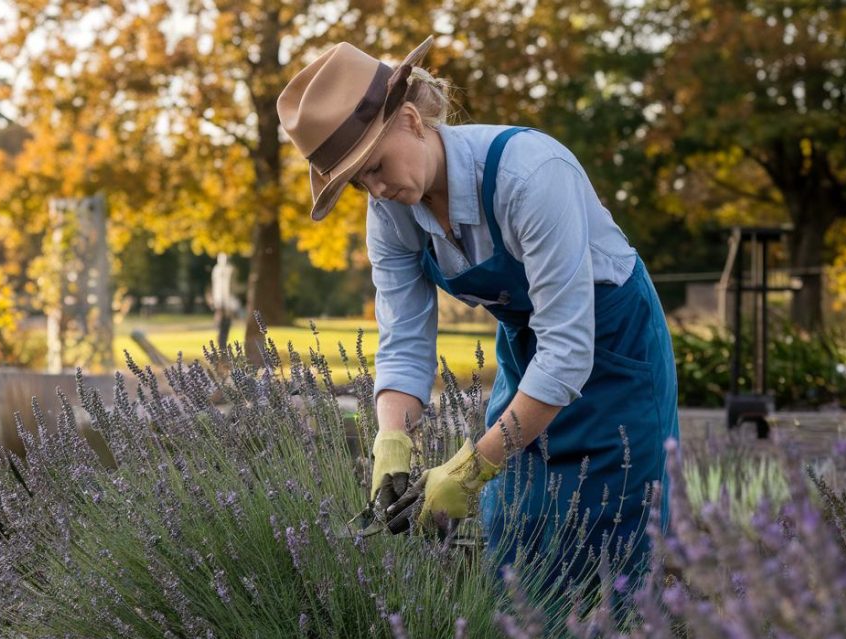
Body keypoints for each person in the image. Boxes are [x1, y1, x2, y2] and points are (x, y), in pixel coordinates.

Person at [276, 36, 678, 590]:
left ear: (412, 121)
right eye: (359, 182)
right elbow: (405, 340)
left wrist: (471, 467)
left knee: (611, 542)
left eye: (375, 166)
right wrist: (392, 441)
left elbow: (567, 352)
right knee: (516, 533)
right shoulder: (391, 211)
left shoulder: (531, 178)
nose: (377, 188)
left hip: (615, 352)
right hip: (529, 352)